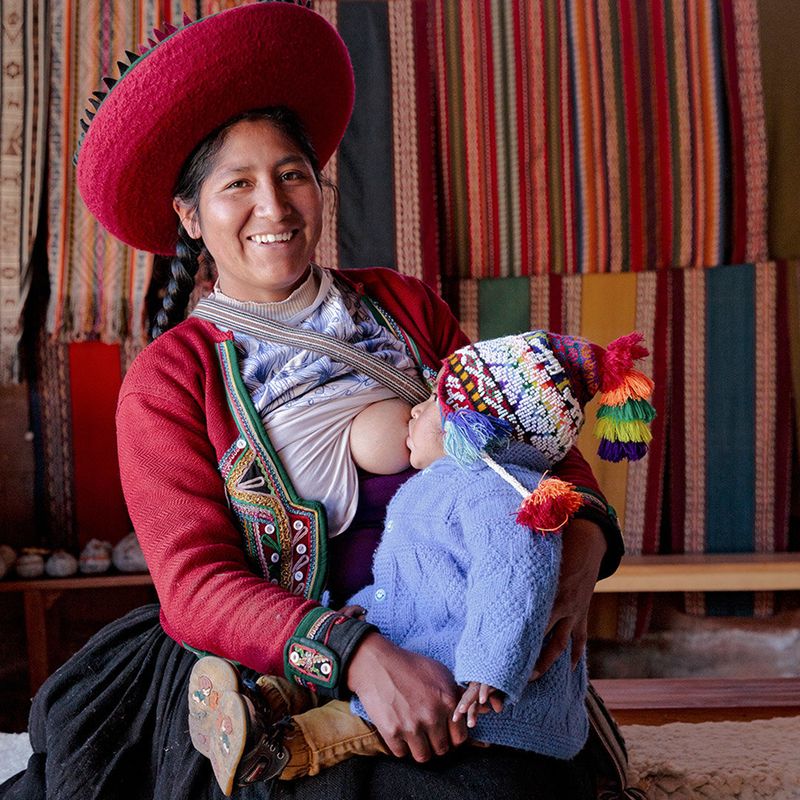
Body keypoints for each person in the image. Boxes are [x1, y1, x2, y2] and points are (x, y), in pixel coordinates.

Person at [0, 4, 625, 799]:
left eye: (292, 174)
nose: (276, 206)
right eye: (238, 185)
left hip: (461, 628)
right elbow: (193, 581)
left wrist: (584, 548)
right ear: (190, 216)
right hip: (297, 660)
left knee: (523, 772)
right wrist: (361, 653)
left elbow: (519, 424)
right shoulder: (170, 379)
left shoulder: (403, 305)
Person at [187, 330, 654, 796]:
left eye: (432, 401)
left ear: (470, 427)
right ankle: (260, 701)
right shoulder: (447, 481)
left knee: (346, 726)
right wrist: (358, 621)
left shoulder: (499, 497)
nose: (413, 408)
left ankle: (280, 751)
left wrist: (490, 672)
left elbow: (513, 587)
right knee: (330, 691)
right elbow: (410, 583)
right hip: (413, 647)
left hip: (461, 688)